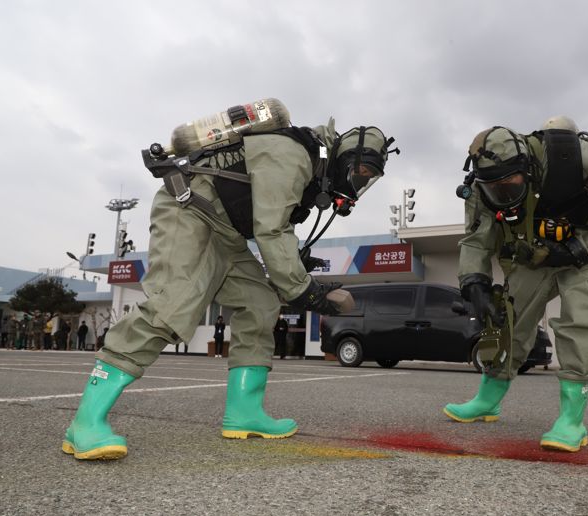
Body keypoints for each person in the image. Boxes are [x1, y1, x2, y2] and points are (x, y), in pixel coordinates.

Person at [62, 113, 394, 460]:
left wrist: (294, 267)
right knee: (169, 308)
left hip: (225, 231)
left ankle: (244, 414)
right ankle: (84, 423)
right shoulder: (294, 154)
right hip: (189, 210)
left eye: (369, 180)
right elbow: (271, 230)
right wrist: (305, 289)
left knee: (260, 303)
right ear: (344, 157)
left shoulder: (311, 169)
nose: (359, 184)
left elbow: (269, 224)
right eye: (360, 173)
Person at [443, 117, 588, 452]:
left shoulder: (581, 159)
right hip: (532, 251)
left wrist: (581, 247)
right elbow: (476, 239)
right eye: (495, 187)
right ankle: (488, 399)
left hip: (584, 248)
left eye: (511, 183)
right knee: (510, 318)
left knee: (578, 318)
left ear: (529, 168)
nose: (503, 193)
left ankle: (572, 420)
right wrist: (473, 281)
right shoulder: (481, 185)